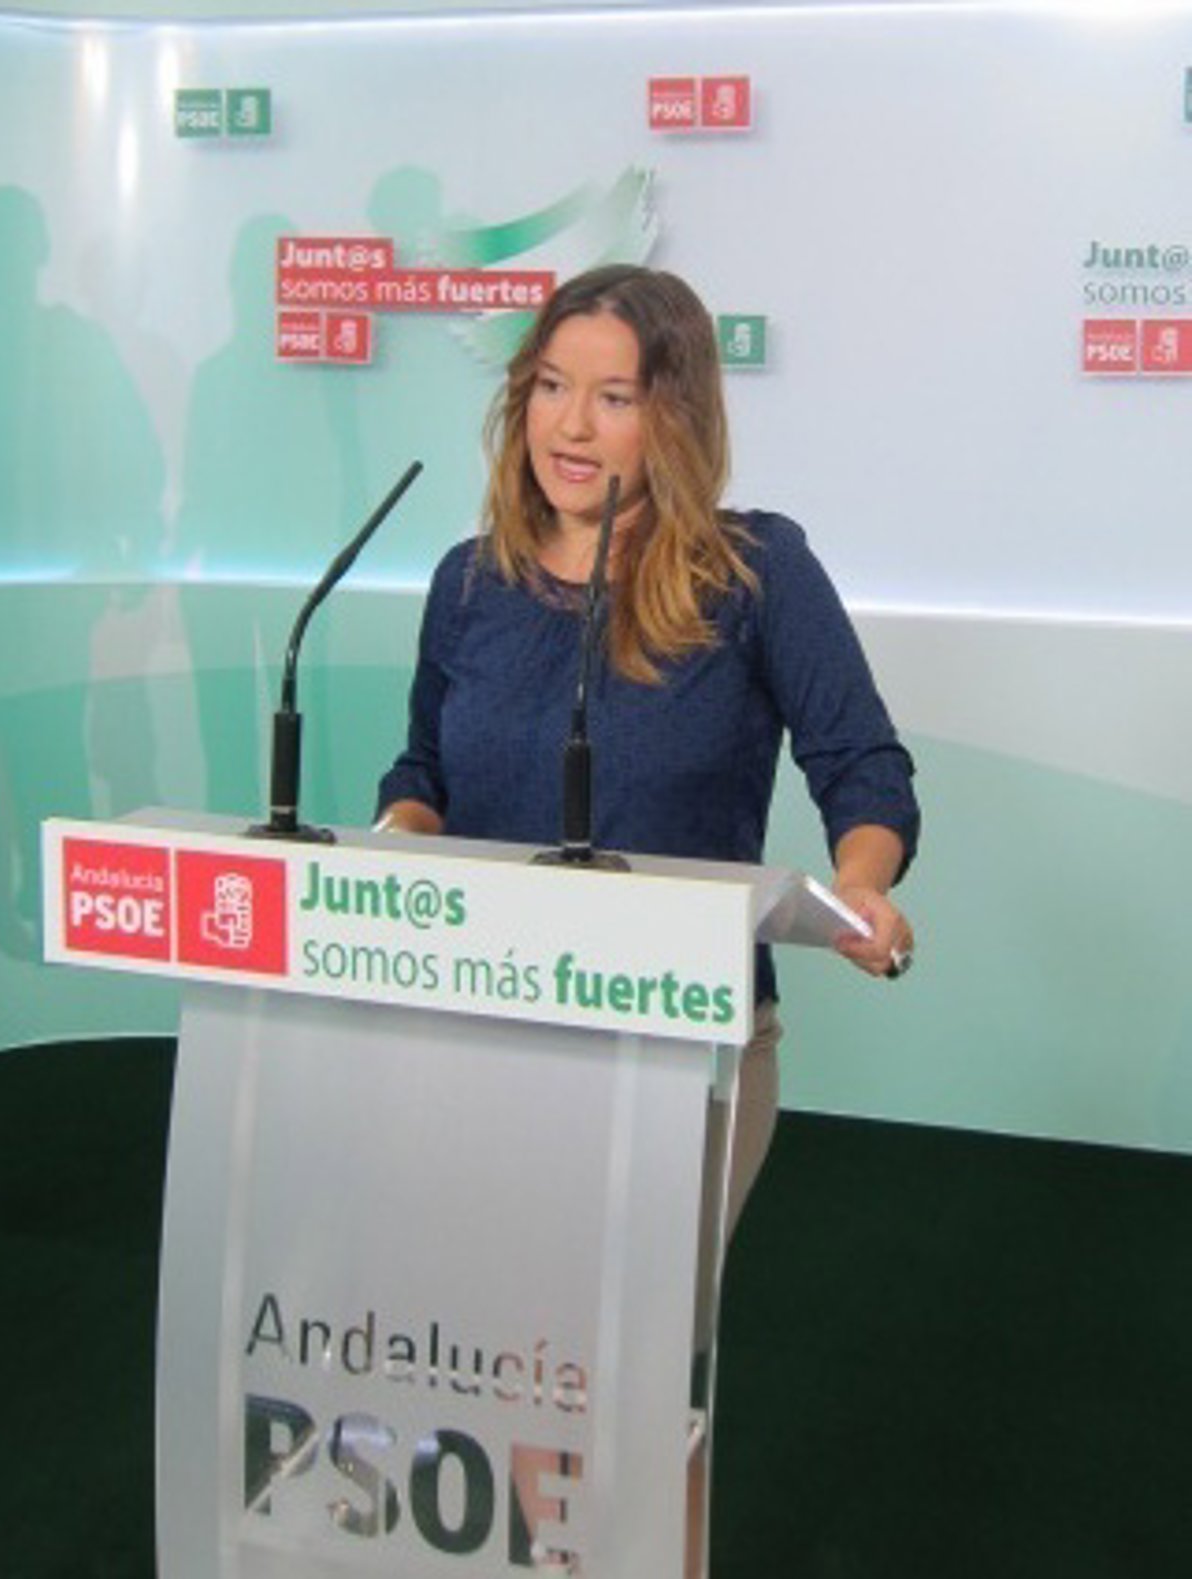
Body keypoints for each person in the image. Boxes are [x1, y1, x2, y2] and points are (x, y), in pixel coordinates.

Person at [376, 260, 918, 1572]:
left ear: (673, 414)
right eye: (551, 387)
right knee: (512, 1364)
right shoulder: (470, 581)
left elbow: (864, 768)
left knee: (612, 1366)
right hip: (493, 1031)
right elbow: (423, 771)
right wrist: (396, 839)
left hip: (684, 1053)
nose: (571, 425)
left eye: (612, 396)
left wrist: (864, 882)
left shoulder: (755, 573)